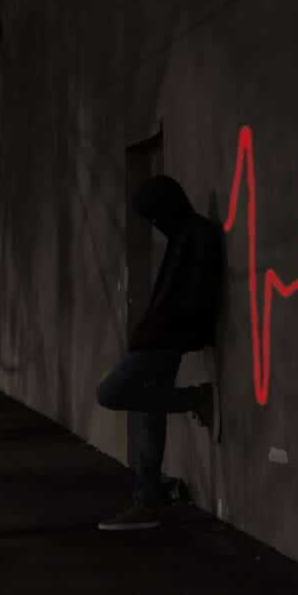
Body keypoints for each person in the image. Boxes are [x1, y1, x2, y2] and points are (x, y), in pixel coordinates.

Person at [96, 174, 223, 531]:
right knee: (149, 412)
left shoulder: (196, 235)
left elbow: (194, 296)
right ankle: (148, 500)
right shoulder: (184, 234)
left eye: (153, 215)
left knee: (111, 393)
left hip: (164, 340)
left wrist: (169, 333)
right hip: (160, 338)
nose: (153, 224)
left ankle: (196, 398)